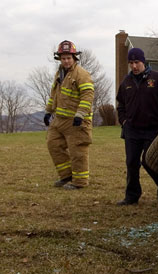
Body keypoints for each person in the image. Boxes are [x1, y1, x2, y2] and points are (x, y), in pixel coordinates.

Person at [116, 48, 158, 205]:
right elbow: (120, 105)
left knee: (149, 161)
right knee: (131, 163)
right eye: (131, 63)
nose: (134, 66)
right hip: (132, 130)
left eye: (137, 62)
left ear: (143, 61)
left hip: (153, 129)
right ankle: (131, 196)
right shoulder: (126, 83)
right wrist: (123, 121)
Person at [44, 40, 94, 189]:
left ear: (74, 58)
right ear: (60, 58)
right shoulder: (59, 74)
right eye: (63, 58)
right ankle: (66, 176)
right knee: (53, 144)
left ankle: (79, 182)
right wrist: (48, 112)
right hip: (59, 120)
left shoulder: (82, 74)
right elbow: (54, 94)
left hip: (76, 121)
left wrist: (80, 114)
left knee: (78, 151)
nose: (66, 61)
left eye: (69, 58)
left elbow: (88, 95)